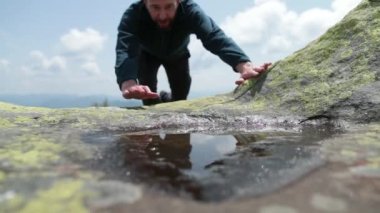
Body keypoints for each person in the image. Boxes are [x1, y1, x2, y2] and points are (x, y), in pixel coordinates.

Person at [115, 0, 271, 105]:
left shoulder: (190, 10)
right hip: (146, 57)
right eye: (155, 7)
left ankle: (167, 102)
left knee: (180, 99)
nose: (162, 16)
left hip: (178, 56)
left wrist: (244, 65)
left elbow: (213, 36)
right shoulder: (133, 14)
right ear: (145, 3)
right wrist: (128, 82)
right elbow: (126, 48)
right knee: (148, 99)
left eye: (169, 7)